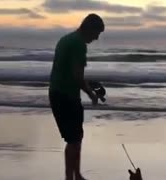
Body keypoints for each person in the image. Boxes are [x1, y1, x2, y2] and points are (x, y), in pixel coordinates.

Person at [49, 14, 104, 180]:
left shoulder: (67, 39)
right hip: (65, 96)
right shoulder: (79, 44)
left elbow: (69, 72)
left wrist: (89, 83)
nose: (96, 38)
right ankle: (70, 177)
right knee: (74, 140)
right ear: (89, 28)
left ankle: (75, 175)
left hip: (58, 93)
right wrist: (91, 94)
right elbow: (77, 76)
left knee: (74, 138)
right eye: (97, 33)